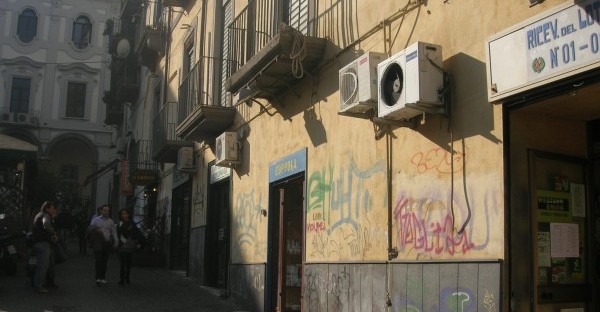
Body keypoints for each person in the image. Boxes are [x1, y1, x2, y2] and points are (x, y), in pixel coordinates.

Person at [30, 201, 58, 294]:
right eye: (52, 208)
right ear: (47, 208)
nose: (53, 210)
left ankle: (46, 283)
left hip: (40, 242)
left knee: (47, 264)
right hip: (42, 243)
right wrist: (53, 232)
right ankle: (38, 286)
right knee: (43, 265)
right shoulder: (45, 215)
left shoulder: (39, 214)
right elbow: (46, 224)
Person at [87, 204, 118, 286]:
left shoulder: (111, 221)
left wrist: (116, 242)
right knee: (98, 260)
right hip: (98, 242)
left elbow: (114, 232)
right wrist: (96, 229)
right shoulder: (96, 220)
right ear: (101, 211)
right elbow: (89, 228)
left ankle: (102, 277)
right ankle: (97, 277)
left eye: (107, 211)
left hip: (106, 242)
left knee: (104, 260)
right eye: (104, 210)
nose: (106, 212)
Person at [116, 209, 144, 285]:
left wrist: (138, 242)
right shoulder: (120, 223)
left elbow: (136, 233)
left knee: (128, 263)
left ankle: (127, 278)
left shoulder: (132, 223)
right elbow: (118, 233)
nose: (124, 215)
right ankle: (122, 279)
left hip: (130, 244)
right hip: (122, 245)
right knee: (122, 263)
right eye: (122, 214)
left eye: (125, 213)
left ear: (128, 214)